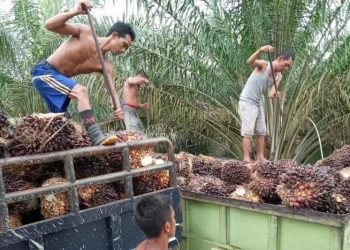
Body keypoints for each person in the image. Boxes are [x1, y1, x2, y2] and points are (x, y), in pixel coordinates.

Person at [31, 0, 135, 145]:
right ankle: (97, 136)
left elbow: (112, 92)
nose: (123, 50)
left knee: (62, 128)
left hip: (59, 84)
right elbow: (49, 25)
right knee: (81, 91)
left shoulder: (106, 65)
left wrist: (118, 108)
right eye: (124, 45)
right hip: (44, 73)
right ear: (115, 35)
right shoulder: (85, 33)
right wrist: (75, 11)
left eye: (126, 49)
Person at [239, 45, 294, 162]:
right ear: (280, 59)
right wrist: (260, 50)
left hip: (258, 101)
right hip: (247, 100)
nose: (286, 68)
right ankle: (246, 158)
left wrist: (276, 95)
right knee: (248, 131)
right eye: (286, 65)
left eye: (288, 67)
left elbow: (270, 94)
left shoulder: (278, 76)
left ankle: (260, 157)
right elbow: (249, 61)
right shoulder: (264, 65)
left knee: (262, 131)